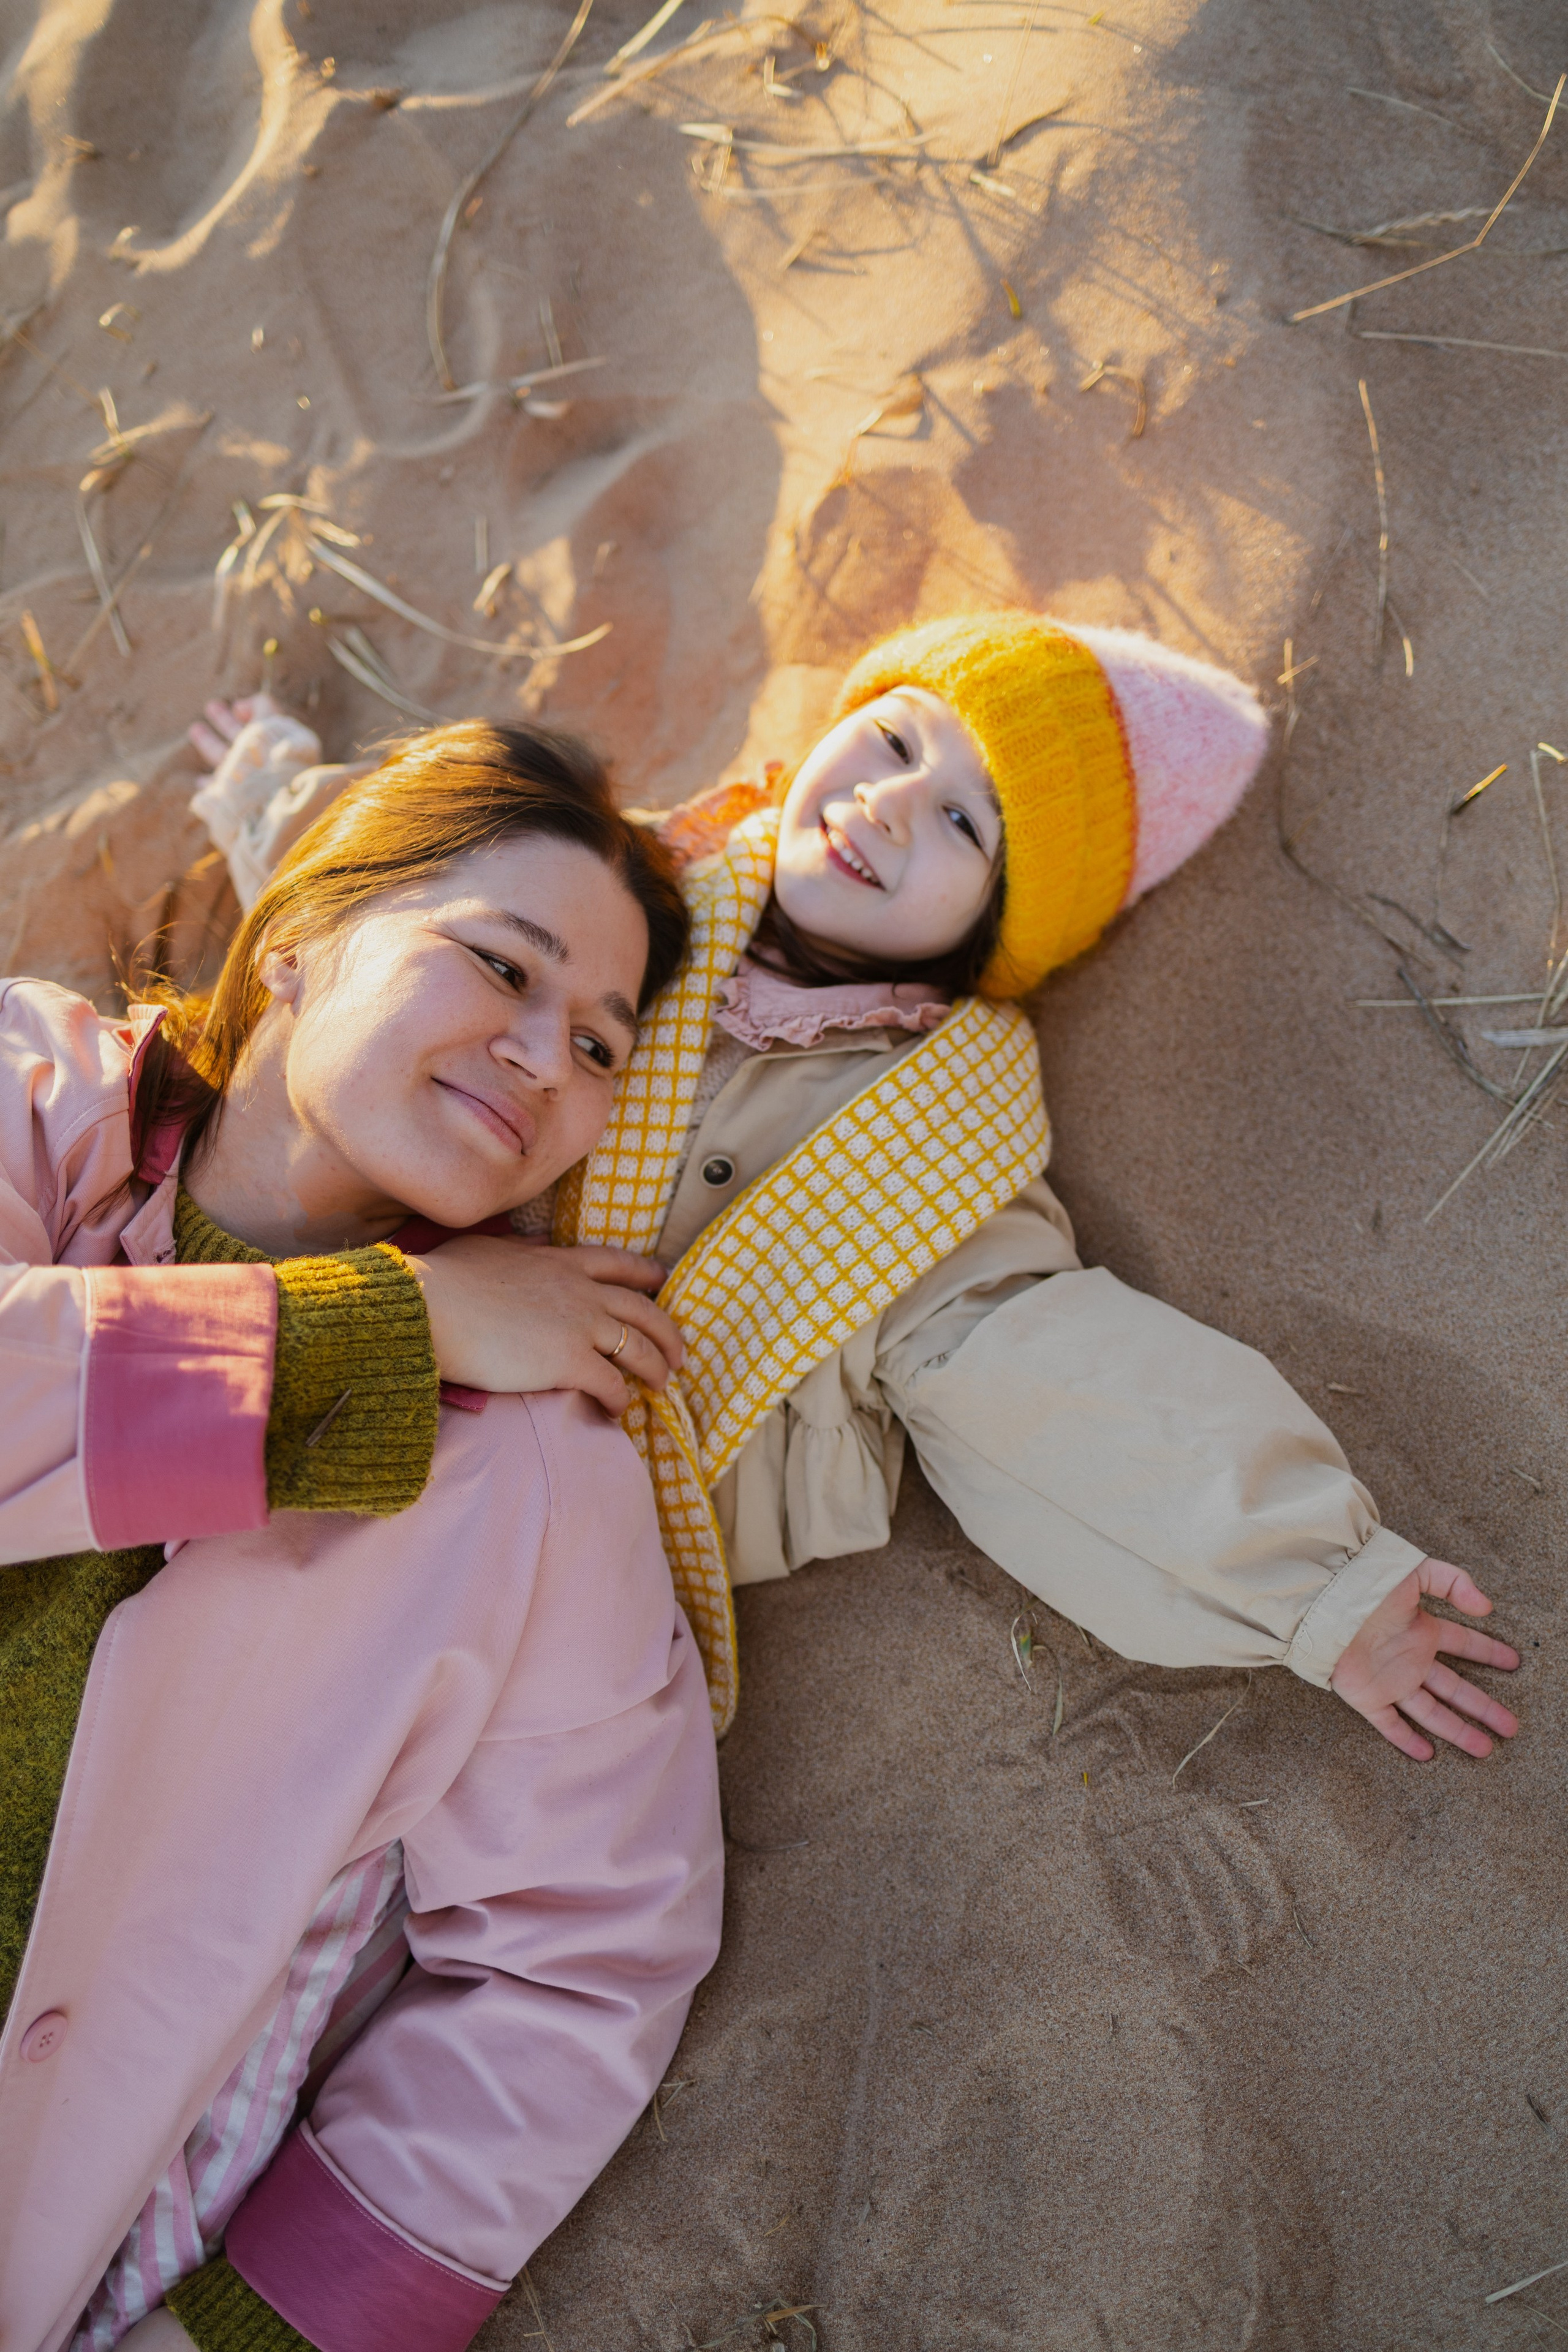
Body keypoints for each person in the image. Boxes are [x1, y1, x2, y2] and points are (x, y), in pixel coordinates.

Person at [190, 622, 1520, 1772]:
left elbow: (1055, 1384)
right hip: (378, 1315)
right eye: (893, 741)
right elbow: (418, 909)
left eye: (964, 824)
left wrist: (1318, 1585)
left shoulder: (922, 1140)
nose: (890, 804)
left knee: (310, 1728)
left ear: (993, 929)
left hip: (572, 1505)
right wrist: (271, 797)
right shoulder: (652, 884)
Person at [0, 723, 725, 2352]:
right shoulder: (35, 1096)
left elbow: (585, 1960)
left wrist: (258, 2326)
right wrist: (382, 1332)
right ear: (306, 932)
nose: (544, 1060)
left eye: (600, 1046)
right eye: (502, 965)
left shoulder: (535, 1475)